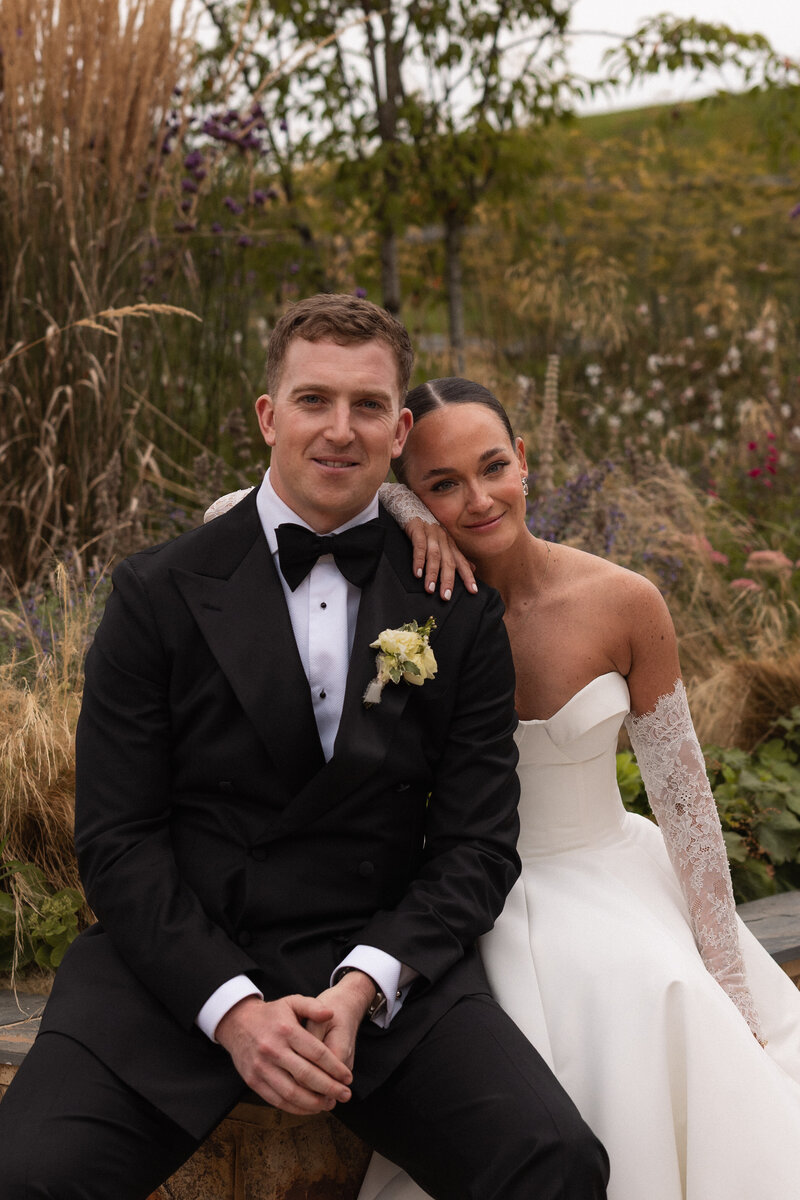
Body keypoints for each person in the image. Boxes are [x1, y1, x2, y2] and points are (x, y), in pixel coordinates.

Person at [0, 300, 609, 1200]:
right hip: (177, 969)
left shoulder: (456, 606)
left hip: (373, 967)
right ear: (267, 415)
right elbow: (117, 841)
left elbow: (479, 847)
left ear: (400, 430)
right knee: (27, 1179)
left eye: (367, 406)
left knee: (552, 1161)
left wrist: (367, 984)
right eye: (313, 399)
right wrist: (233, 1009)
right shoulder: (154, 592)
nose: (338, 429)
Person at [352, 376, 800, 1200]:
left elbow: (686, 805)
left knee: (646, 986)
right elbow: (236, 507)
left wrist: (730, 983)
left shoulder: (624, 601)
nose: (479, 499)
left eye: (493, 467)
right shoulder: (404, 602)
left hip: (608, 872)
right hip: (464, 888)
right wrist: (403, 515)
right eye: (441, 484)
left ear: (524, 461)